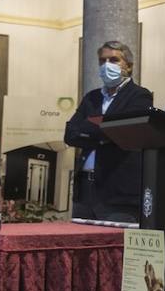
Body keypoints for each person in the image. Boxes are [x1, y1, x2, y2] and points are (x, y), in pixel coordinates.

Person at [63, 41, 153, 223]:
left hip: (118, 192)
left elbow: (124, 132)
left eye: (114, 60)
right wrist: (103, 133)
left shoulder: (140, 96)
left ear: (128, 66)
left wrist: (91, 130)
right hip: (85, 190)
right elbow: (71, 134)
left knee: (114, 247)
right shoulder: (92, 97)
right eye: (102, 61)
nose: (107, 65)